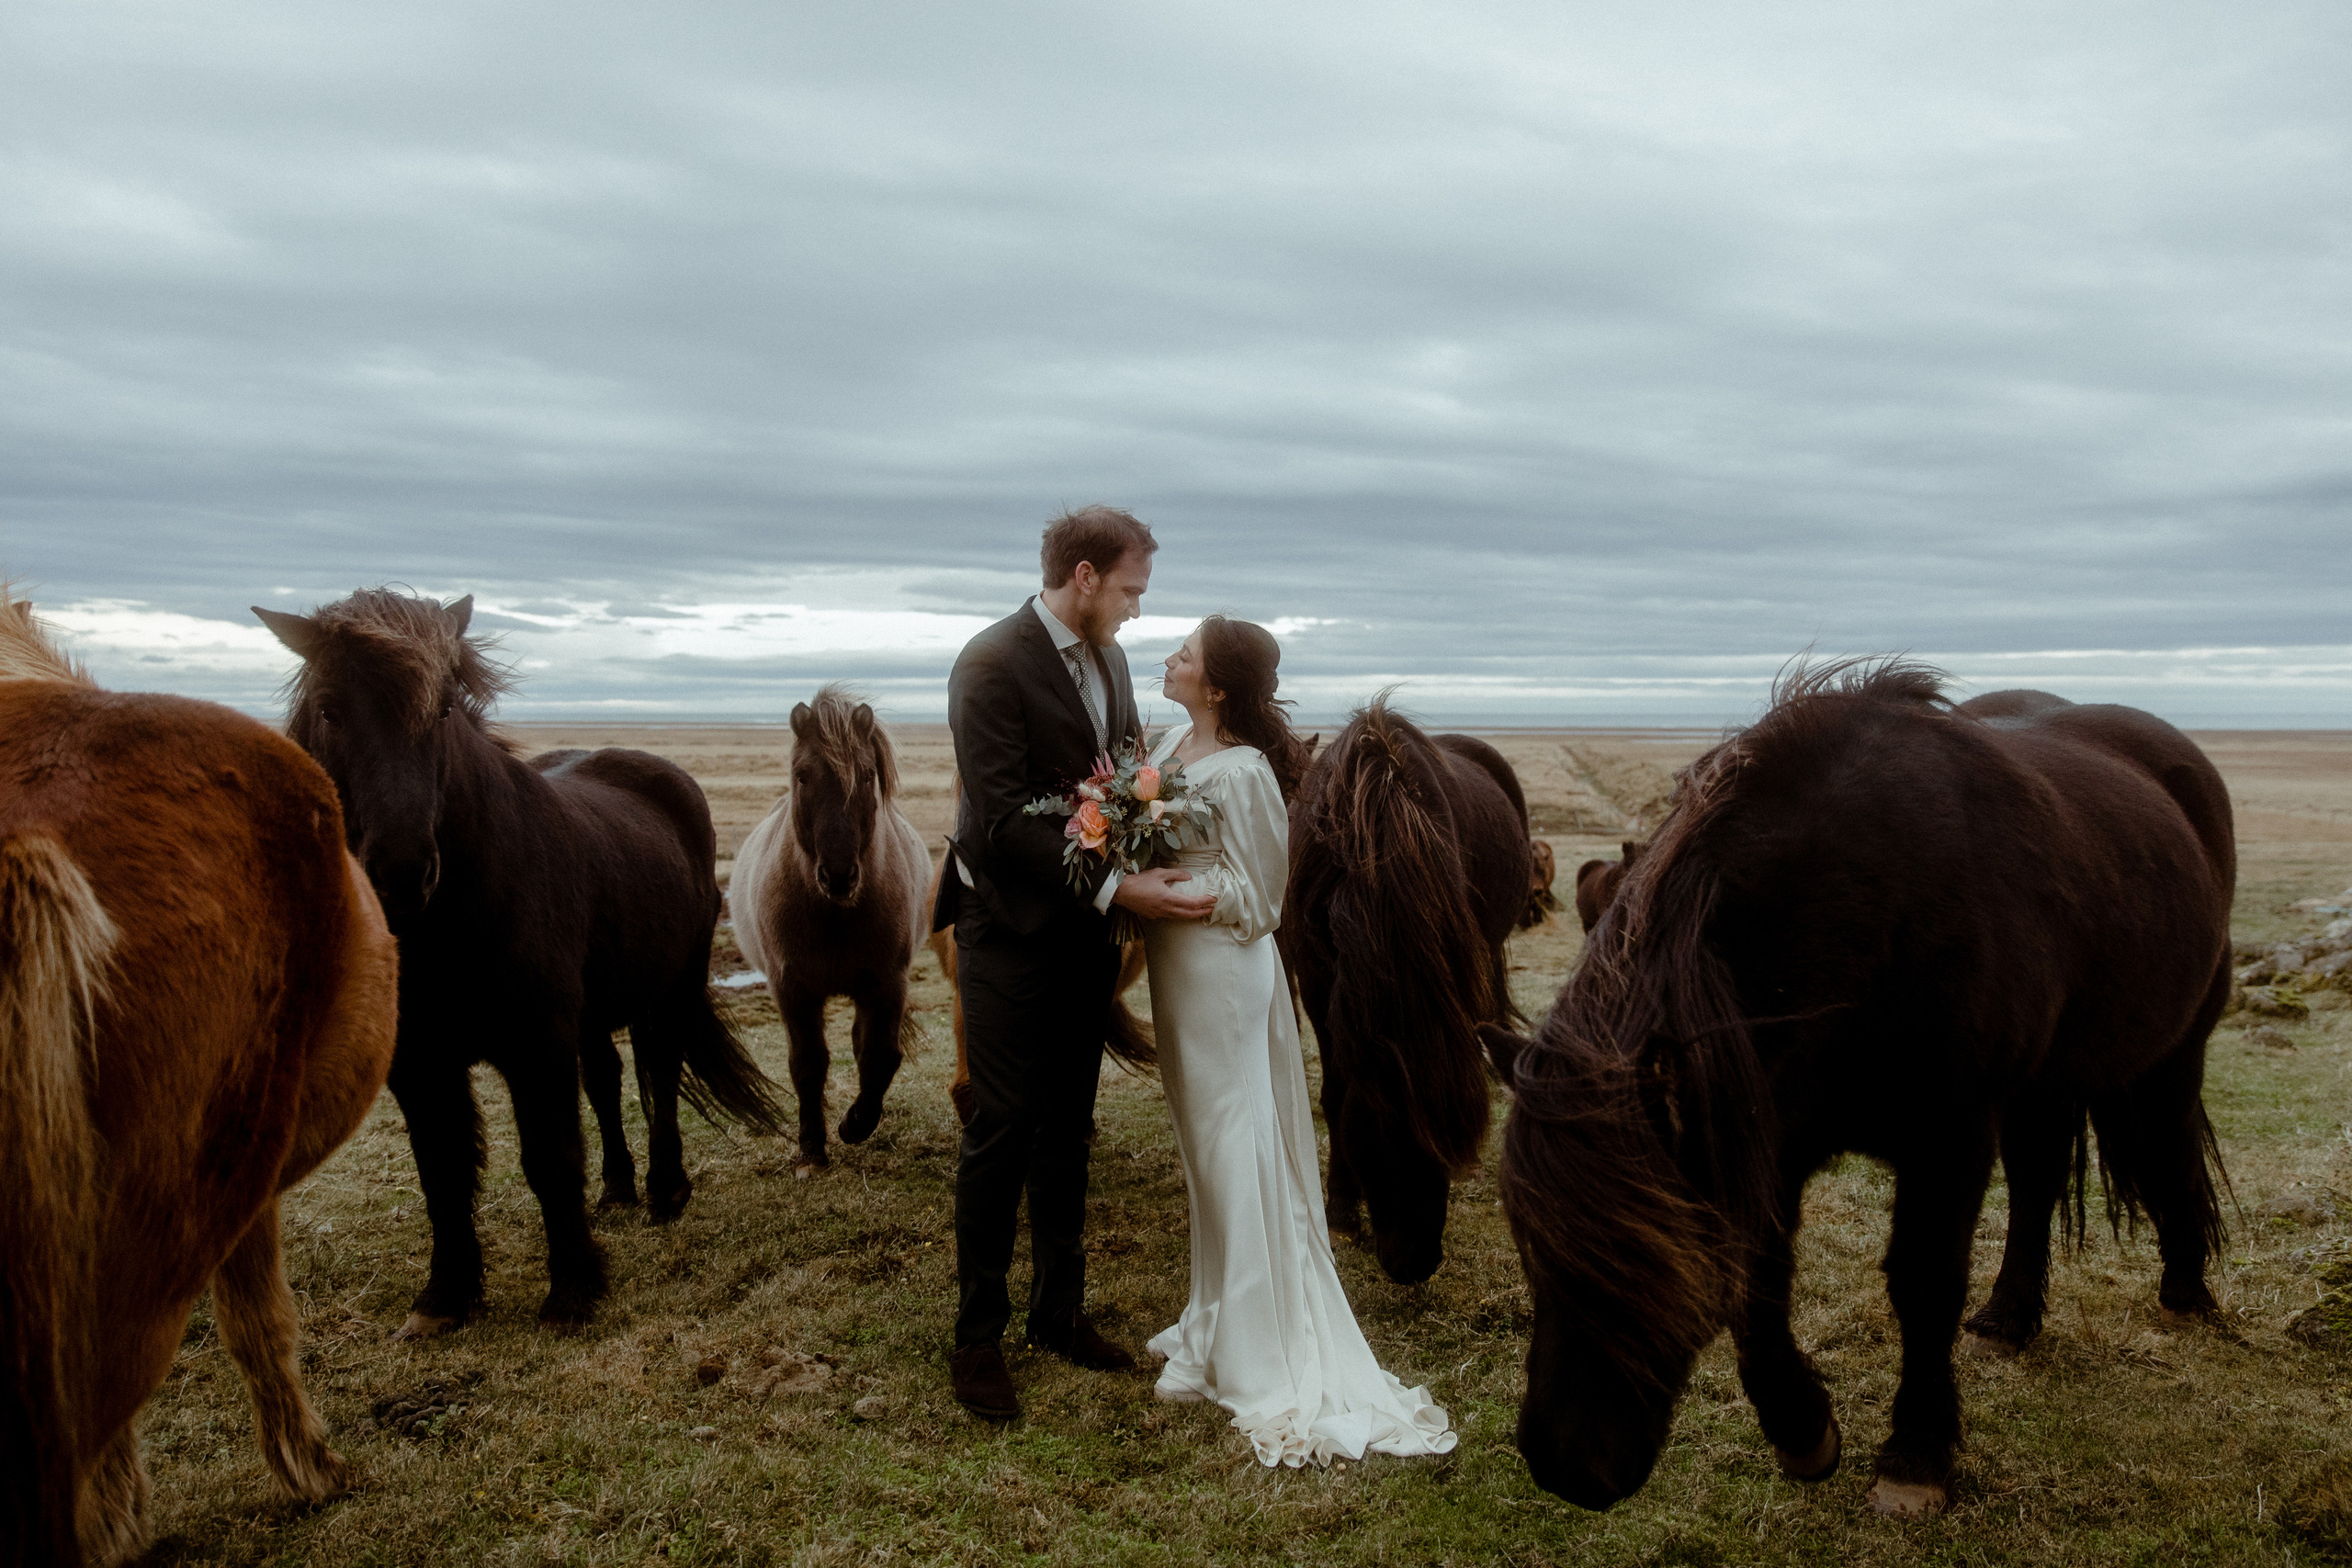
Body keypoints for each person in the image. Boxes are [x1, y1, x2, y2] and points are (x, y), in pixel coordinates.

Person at [1142, 615, 1457, 1466]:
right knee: (1201, 1146)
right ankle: (1214, 1314)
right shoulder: (1171, 739)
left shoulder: (1244, 772)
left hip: (1220, 973)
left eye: (1185, 656)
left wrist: (1175, 896)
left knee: (1235, 1140)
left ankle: (1253, 1344)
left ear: (1216, 686)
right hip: (1171, 968)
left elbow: (1263, 899)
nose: (1168, 660)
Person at [935, 505, 1215, 1422]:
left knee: (1068, 1128)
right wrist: (1114, 892)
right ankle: (977, 1338)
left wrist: (1151, 836)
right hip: (1008, 929)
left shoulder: (1111, 659)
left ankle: (1058, 1315)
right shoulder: (987, 663)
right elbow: (1007, 815)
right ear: (1085, 576)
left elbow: (1123, 770)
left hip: (1084, 938)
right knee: (1004, 1127)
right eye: (1131, 588)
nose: (1138, 609)